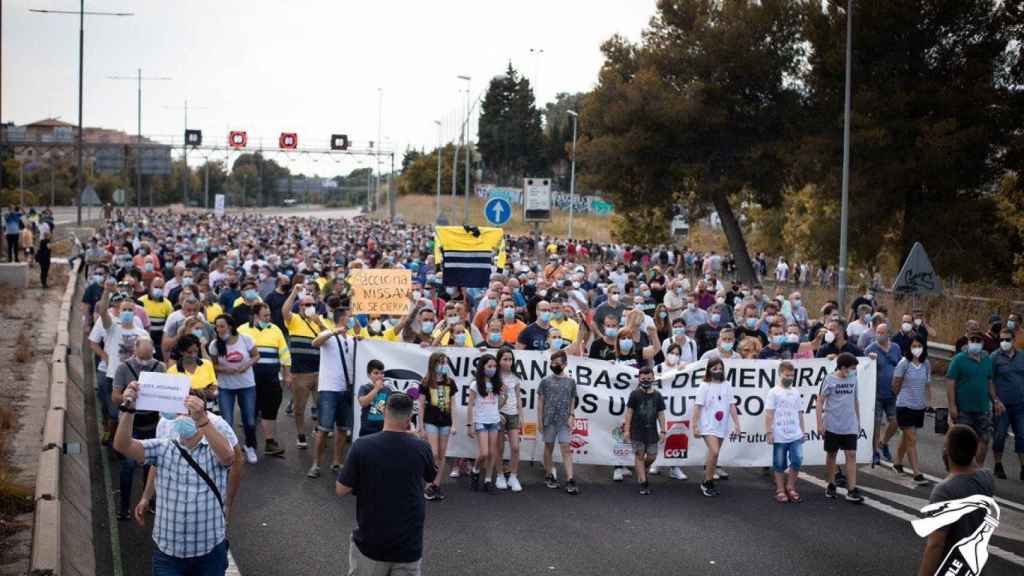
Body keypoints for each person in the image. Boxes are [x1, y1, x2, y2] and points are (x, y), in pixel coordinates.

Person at [114, 384, 235, 576]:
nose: (182, 418)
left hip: (209, 550)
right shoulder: (163, 447)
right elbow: (122, 445)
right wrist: (129, 409)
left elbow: (229, 458)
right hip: (169, 553)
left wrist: (202, 418)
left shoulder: (214, 446)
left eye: (189, 413)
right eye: (179, 413)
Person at [336, 393, 437, 576]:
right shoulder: (422, 447)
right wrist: (414, 437)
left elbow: (341, 489)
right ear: (409, 419)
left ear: (384, 412)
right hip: (408, 545)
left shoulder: (362, 446)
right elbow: (431, 476)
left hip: (371, 542)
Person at [917, 425, 996, 576]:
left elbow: (935, 544)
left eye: (945, 446)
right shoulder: (987, 477)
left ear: (947, 452)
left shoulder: (944, 492)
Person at [110, 337, 165, 520]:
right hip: (132, 424)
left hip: (152, 423)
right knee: (128, 465)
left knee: (151, 466)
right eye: (142, 358)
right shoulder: (123, 368)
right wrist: (127, 396)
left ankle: (147, 501)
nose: (145, 363)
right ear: (134, 352)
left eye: (148, 358)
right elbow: (115, 397)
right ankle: (124, 507)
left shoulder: (160, 368)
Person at [307, 308, 358, 479]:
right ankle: (316, 464)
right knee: (324, 428)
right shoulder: (329, 335)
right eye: (350, 317)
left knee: (342, 428)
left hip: (346, 388)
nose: (352, 320)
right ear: (342, 318)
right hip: (329, 388)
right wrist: (331, 332)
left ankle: (336, 461)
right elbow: (315, 343)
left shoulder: (352, 340)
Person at [238, 303, 291, 457]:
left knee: (270, 410)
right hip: (249, 381)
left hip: (272, 379)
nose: (268, 318)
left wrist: (287, 374)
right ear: (255, 316)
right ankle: (249, 443)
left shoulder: (275, 330)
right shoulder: (242, 330)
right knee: (250, 412)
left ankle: (269, 442)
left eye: (269, 315)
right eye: (265, 316)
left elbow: (284, 353)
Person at [284, 285, 333, 449]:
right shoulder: (294, 320)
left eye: (312, 304)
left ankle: (318, 430)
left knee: (322, 405)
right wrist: (293, 292)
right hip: (300, 373)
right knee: (299, 408)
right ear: (300, 306)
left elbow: (331, 337)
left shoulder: (320, 320)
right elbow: (284, 311)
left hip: (319, 372)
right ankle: (300, 434)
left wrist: (319, 322)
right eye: (306, 304)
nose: (309, 307)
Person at [208, 314, 260, 464]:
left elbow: (256, 356)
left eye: (222, 326)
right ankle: (228, 449)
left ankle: (250, 446)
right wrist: (225, 370)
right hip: (225, 387)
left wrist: (246, 365)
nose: (219, 330)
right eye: (216, 327)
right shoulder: (214, 345)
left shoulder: (245, 339)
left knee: (249, 420)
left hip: (247, 385)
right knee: (227, 421)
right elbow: (213, 365)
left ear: (230, 326)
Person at [945, 331, 1001, 466]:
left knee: (985, 439)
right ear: (968, 342)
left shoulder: (987, 360)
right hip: (964, 410)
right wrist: (952, 405)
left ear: (982, 343)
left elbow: (989, 381)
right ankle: (956, 467)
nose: (975, 343)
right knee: (961, 441)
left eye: (978, 341)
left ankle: (977, 468)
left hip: (982, 409)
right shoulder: (959, 359)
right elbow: (950, 381)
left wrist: (995, 400)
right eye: (972, 340)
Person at [815, 352, 864, 503]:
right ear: (842, 367)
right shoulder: (829, 379)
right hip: (832, 423)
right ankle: (831, 484)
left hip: (849, 424)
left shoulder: (853, 378)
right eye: (850, 368)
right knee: (832, 454)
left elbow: (855, 399)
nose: (852, 371)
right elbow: (820, 401)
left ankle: (852, 489)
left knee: (851, 454)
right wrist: (819, 423)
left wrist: (858, 421)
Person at [692, 357, 740, 496]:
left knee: (714, 455)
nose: (718, 371)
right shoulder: (704, 386)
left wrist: (737, 424)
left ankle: (709, 478)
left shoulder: (727, 385)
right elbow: (697, 406)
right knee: (714, 451)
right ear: (709, 370)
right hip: (707, 425)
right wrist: (695, 425)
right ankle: (707, 482)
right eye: (714, 368)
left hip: (722, 425)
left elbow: (732, 405)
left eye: (720, 368)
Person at [537, 349, 579, 495]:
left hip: (564, 421)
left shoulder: (571, 382)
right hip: (548, 420)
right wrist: (539, 420)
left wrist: (572, 415)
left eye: (558, 363)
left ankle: (570, 478)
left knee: (566, 447)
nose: (554, 365)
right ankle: (548, 474)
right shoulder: (545, 382)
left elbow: (573, 399)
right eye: (552, 363)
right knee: (548, 447)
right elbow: (540, 402)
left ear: (565, 364)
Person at [417, 352, 458, 500]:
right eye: (441, 363)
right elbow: (420, 405)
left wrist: (454, 423)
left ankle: (436, 484)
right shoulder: (426, 382)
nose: (443, 366)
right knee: (433, 453)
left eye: (445, 363)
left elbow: (453, 405)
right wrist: (421, 427)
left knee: (442, 454)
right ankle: (428, 484)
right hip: (431, 421)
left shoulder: (450, 382)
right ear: (433, 364)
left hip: (445, 422)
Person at [892, 336, 931, 484]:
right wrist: (899, 398)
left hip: (919, 407)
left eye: (919, 345)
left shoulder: (926, 363)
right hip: (905, 406)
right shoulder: (904, 363)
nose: (917, 348)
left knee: (907, 437)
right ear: (909, 347)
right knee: (912, 439)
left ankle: (897, 463)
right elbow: (895, 384)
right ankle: (916, 473)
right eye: (914, 346)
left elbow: (927, 384)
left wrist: (928, 402)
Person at [624, 366, 666, 495]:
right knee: (639, 455)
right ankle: (643, 482)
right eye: (643, 378)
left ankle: (643, 468)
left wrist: (663, 431)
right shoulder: (634, 394)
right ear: (639, 379)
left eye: (648, 378)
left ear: (653, 378)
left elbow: (661, 414)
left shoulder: (658, 395)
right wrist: (627, 430)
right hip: (636, 431)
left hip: (652, 431)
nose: (646, 380)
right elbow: (629, 413)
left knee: (652, 456)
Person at [766, 361, 805, 503]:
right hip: (779, 435)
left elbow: (800, 413)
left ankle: (791, 486)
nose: (789, 377)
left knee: (797, 460)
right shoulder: (773, 392)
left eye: (792, 375)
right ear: (780, 374)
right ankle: (780, 490)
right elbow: (769, 413)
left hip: (795, 434)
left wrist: (803, 431)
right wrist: (769, 432)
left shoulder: (795, 392)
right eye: (786, 375)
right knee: (779, 463)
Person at [865, 322, 902, 465]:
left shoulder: (896, 348)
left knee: (895, 422)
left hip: (892, 392)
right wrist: (870, 360)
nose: (879, 335)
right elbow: (864, 368)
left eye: (882, 332)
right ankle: (874, 451)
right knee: (876, 424)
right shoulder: (870, 349)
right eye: (877, 332)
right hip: (877, 394)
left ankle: (884, 442)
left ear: (888, 334)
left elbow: (900, 365)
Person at [991, 327, 1024, 480]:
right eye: (1001, 339)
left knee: (1022, 435)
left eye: (1007, 339)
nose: (1004, 342)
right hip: (1001, 405)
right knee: (999, 435)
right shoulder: (995, 357)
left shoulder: (1022, 356)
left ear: (1013, 340)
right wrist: (995, 400)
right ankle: (998, 464)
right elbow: (989, 380)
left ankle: (1023, 467)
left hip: (1020, 404)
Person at [467, 353, 503, 493]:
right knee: (484, 453)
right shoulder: (475, 384)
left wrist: (504, 395)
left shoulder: (497, 384)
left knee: (493, 452)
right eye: (489, 366)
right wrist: (470, 425)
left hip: (494, 421)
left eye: (494, 366)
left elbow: (498, 404)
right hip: (481, 421)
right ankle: (475, 470)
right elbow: (470, 406)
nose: (492, 369)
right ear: (482, 367)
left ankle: (488, 480)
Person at [495, 347, 525, 492]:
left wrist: (521, 416)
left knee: (515, 447)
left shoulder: (515, 376)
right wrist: (496, 413)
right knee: (499, 448)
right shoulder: (494, 376)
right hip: (499, 414)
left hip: (513, 414)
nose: (508, 362)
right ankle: (500, 475)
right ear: (499, 360)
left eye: (510, 359)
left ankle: (513, 476)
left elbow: (519, 397)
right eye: (505, 359)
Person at [357, 359, 393, 437]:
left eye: (382, 373)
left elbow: (389, 411)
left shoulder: (388, 390)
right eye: (376, 373)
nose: (380, 376)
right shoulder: (365, 388)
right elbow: (363, 403)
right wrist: (376, 388)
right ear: (369, 375)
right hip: (367, 429)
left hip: (382, 430)